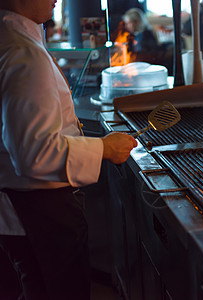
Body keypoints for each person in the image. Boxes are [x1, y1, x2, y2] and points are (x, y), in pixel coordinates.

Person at [0, 0, 137, 299]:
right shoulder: (24, 54)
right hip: (40, 209)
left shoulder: (11, 37)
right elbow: (34, 154)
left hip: (21, 207)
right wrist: (103, 148)